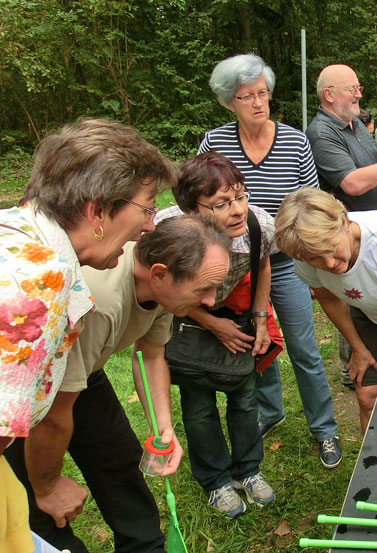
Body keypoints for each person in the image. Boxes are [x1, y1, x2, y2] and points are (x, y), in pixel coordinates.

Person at [0, 118, 175, 553]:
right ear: (98, 212)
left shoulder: (21, 231)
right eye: (147, 207)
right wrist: (43, 485)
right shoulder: (38, 286)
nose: (150, 227)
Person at [6, 215, 231, 553]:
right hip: (26, 393)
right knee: (30, 499)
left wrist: (164, 429)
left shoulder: (168, 291)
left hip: (81, 375)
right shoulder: (100, 301)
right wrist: (47, 487)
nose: (212, 301)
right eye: (204, 289)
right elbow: (53, 413)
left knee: (121, 462)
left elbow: (152, 355)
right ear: (159, 273)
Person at [199, 53, 342, 469]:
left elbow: (313, 203)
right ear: (230, 102)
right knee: (255, 343)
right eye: (247, 96)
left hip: (285, 262)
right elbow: (198, 199)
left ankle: (325, 429)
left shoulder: (296, 141)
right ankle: (270, 411)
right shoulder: (215, 143)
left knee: (303, 347)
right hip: (237, 267)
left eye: (263, 93)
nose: (258, 103)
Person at [156, 152, 279, 518]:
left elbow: (263, 262)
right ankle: (215, 481)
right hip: (190, 317)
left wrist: (259, 318)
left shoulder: (259, 226)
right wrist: (210, 323)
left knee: (245, 398)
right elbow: (163, 289)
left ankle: (248, 470)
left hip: (237, 317)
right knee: (198, 407)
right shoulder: (168, 233)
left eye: (240, 196)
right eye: (221, 204)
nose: (238, 209)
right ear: (191, 211)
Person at [274, 188, 377, 432]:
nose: (329, 264)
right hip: (368, 307)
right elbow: (328, 297)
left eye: (332, 249)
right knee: (367, 395)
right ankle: (373, 466)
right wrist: (358, 348)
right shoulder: (302, 251)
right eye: (315, 260)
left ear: (344, 221)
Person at [305, 64, 377, 211]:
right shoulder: (321, 133)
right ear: (329, 94)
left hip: (372, 224)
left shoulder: (355, 121)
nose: (359, 95)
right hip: (348, 228)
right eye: (351, 89)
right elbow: (352, 184)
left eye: (359, 88)